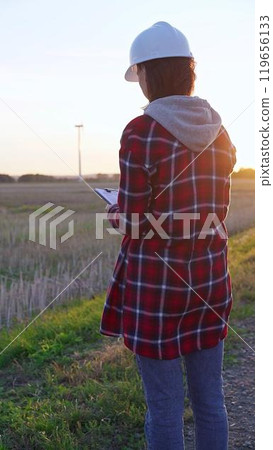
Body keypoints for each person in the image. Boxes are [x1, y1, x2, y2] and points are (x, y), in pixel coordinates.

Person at [100, 21, 236, 450]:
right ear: (188, 71)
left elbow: (137, 220)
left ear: (147, 73)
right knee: (210, 401)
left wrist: (114, 212)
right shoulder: (221, 131)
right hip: (210, 282)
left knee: (164, 408)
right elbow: (214, 210)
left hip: (157, 289)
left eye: (138, 73)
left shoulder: (141, 132)